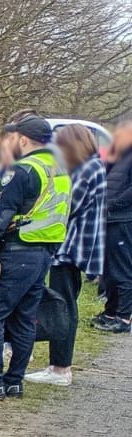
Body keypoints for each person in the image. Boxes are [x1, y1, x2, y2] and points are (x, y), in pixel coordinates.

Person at [0, 115, 71, 398]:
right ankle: (14, 381)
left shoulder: (22, 171)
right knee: (23, 318)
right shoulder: (59, 170)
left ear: (22, 139)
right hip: (43, 253)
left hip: (17, 251)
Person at [25, 125, 107, 385]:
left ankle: (60, 368)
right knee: (67, 305)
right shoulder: (94, 166)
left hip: (70, 248)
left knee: (63, 307)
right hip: (79, 247)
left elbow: (68, 205)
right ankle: (59, 365)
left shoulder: (85, 170)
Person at [94, 120, 132, 333]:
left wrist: (113, 204)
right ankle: (110, 311)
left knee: (123, 268)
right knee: (109, 270)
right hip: (109, 218)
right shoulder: (118, 156)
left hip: (123, 218)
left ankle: (124, 317)